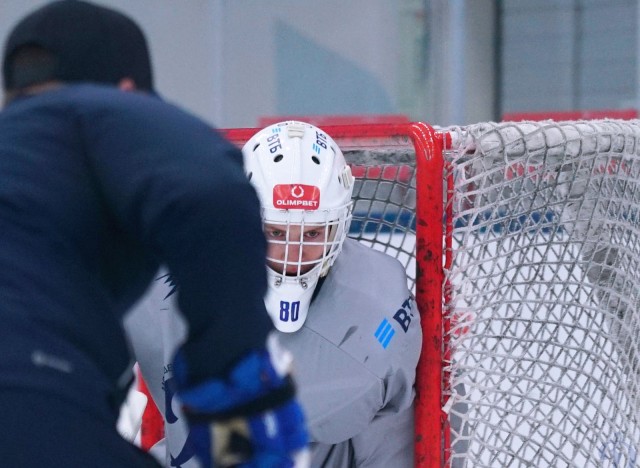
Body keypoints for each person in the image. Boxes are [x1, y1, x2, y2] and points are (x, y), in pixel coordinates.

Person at [0, 2, 308, 467]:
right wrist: (232, 402)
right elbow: (213, 194)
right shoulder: (106, 114)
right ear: (129, 91)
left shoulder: (20, 146)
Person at [128, 120, 423, 467]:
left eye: (312, 234)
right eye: (275, 231)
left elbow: (391, 442)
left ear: (340, 225)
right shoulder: (160, 280)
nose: (291, 253)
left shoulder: (379, 309)